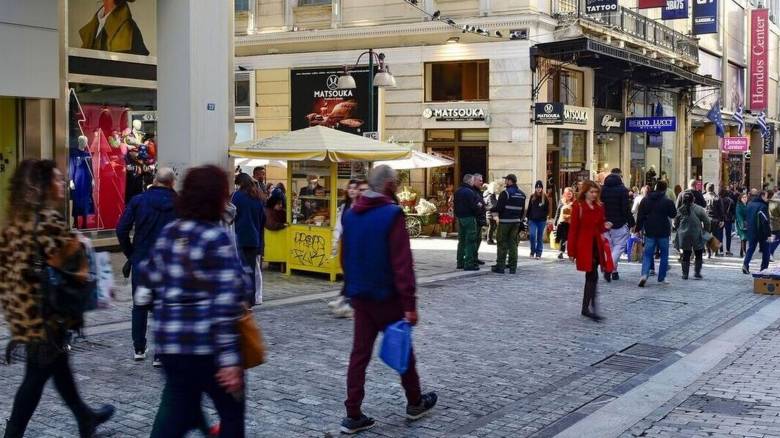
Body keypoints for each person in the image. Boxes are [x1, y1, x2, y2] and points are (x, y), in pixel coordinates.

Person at [0, 160, 115, 438]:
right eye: (57, 180)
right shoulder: (48, 220)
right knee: (36, 378)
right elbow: (72, 266)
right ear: (42, 186)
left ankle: (85, 417)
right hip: (47, 314)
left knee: (58, 366)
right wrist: (82, 244)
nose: (63, 184)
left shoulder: (15, 221)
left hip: (25, 310)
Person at [135, 165, 247, 438]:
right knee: (232, 411)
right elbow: (225, 305)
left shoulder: (171, 232)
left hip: (172, 345)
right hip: (207, 347)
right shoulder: (215, 238)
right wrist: (230, 359)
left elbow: (148, 275)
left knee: (178, 406)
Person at [340, 165, 437, 434]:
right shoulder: (392, 214)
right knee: (403, 349)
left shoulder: (350, 214)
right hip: (387, 297)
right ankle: (415, 401)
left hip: (360, 295)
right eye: (395, 183)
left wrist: (352, 287)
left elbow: (345, 257)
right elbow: (402, 263)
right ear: (390, 185)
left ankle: (353, 412)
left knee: (359, 355)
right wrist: (409, 304)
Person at [116, 167, 177, 365]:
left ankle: (139, 348)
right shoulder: (179, 203)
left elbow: (121, 229)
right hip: (167, 262)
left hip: (142, 260)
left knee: (139, 305)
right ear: (172, 183)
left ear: (154, 180)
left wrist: (131, 254)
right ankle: (160, 352)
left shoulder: (139, 200)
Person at [568, 180, 612, 322]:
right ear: (585, 192)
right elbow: (573, 230)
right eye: (591, 192)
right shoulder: (578, 206)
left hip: (596, 246)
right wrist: (571, 251)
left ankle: (587, 307)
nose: (594, 194)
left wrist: (606, 225)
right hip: (584, 246)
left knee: (592, 276)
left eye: (596, 192)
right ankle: (591, 308)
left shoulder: (599, 207)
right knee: (592, 275)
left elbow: (600, 226)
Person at [328, 179, 368, 318]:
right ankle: (345, 299)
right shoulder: (345, 206)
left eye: (355, 188)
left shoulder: (362, 206)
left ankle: (348, 301)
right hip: (346, 242)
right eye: (349, 188)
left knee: (354, 273)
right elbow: (339, 225)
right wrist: (335, 241)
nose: (352, 190)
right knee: (348, 271)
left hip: (359, 243)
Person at [232, 173, 266, 307]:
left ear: (240, 183)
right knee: (251, 270)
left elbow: (231, 214)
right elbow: (263, 218)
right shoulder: (257, 197)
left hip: (240, 237)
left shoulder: (237, 196)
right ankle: (251, 299)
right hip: (254, 237)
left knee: (239, 269)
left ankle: (241, 298)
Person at [636, 181, 677, 287]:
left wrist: (637, 229)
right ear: (665, 189)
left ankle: (644, 274)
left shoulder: (645, 200)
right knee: (664, 255)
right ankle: (662, 277)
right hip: (663, 230)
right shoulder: (667, 201)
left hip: (650, 230)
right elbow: (673, 214)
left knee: (648, 254)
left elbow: (640, 216)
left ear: (655, 187)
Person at [600, 168, 635, 281]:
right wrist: (631, 222)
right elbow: (625, 209)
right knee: (619, 247)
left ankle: (614, 271)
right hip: (619, 223)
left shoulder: (602, 189)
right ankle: (608, 268)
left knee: (610, 249)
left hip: (605, 223)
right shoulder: (622, 190)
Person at [490, 174, 527, 274]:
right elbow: (523, 211)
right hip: (516, 222)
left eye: (506, 180)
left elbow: (499, 208)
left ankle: (500, 266)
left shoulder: (505, 193)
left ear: (510, 181)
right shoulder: (522, 194)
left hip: (505, 222)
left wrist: (490, 208)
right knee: (513, 244)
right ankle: (513, 267)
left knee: (502, 243)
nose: (505, 182)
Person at [674, 192, 711, 280]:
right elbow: (707, 222)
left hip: (684, 236)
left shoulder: (680, 210)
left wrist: (679, 229)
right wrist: (706, 231)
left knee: (686, 254)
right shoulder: (699, 209)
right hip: (696, 234)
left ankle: (685, 274)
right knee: (698, 253)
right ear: (693, 199)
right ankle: (697, 273)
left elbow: (675, 223)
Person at [454, 174, 482, 271]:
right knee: (470, 241)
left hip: (460, 218)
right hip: (469, 217)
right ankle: (469, 263)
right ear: (470, 181)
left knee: (461, 241)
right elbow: (474, 206)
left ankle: (460, 262)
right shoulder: (470, 192)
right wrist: (479, 206)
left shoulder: (457, 191)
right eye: (473, 180)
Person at [743, 190, 772, 274]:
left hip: (751, 230)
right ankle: (764, 269)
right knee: (766, 250)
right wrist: (768, 234)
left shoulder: (750, 204)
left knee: (751, 248)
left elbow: (746, 217)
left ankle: (745, 264)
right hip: (761, 232)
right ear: (762, 196)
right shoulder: (763, 206)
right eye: (766, 196)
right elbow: (765, 222)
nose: (768, 198)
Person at [526, 180, 550, 259]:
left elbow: (547, 209)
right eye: (537, 187)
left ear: (542, 188)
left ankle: (538, 253)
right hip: (532, 220)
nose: (538, 189)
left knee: (539, 237)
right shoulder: (532, 196)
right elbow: (529, 208)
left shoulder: (545, 197)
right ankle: (532, 251)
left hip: (541, 221)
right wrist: (527, 217)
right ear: (535, 188)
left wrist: (545, 217)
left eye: (540, 187)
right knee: (532, 235)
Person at [702, 184, 725, 258]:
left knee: (706, 235)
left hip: (706, 219)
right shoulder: (717, 198)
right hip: (716, 219)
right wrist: (722, 220)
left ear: (706, 189)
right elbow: (721, 210)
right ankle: (715, 252)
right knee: (715, 235)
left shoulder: (703, 197)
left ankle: (708, 252)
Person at [554, 187, 574, 260]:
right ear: (564, 194)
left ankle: (571, 253)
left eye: (570, 194)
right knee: (563, 237)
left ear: (572, 194)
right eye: (567, 193)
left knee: (570, 238)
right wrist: (555, 223)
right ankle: (561, 252)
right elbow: (558, 212)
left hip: (571, 223)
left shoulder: (574, 203)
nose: (568, 195)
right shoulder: (561, 201)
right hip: (562, 223)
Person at [472, 174, 487, 264]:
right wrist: (479, 205)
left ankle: (475, 257)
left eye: (482, 180)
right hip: (475, 218)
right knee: (474, 239)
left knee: (479, 239)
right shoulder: (472, 191)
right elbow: (474, 204)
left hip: (480, 218)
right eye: (480, 180)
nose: (481, 182)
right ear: (474, 181)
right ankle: (472, 258)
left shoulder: (479, 191)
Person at [722, 188, 736, 256]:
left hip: (721, 219)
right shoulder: (731, 201)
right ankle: (728, 250)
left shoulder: (719, 200)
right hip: (728, 220)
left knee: (720, 235)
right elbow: (733, 212)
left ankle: (720, 250)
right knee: (728, 236)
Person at [736, 192, 749, 257]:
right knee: (743, 237)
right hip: (741, 224)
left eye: (746, 197)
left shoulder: (747, 204)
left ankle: (741, 252)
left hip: (747, 223)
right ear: (740, 198)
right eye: (743, 197)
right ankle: (744, 252)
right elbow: (738, 216)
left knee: (744, 238)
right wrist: (742, 225)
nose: (745, 198)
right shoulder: (739, 205)